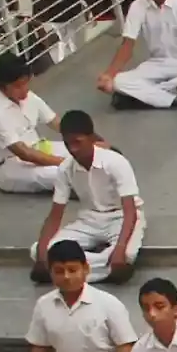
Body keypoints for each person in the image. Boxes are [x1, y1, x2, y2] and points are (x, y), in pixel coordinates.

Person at [35, 111, 144, 282]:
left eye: (77, 142)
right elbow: (55, 214)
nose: (72, 149)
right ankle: (96, 271)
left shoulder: (116, 162)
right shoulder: (65, 169)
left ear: (92, 138)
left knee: (127, 254)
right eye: (67, 143)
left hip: (120, 216)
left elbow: (130, 210)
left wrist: (120, 249)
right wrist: (42, 255)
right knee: (38, 250)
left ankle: (64, 272)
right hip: (89, 219)